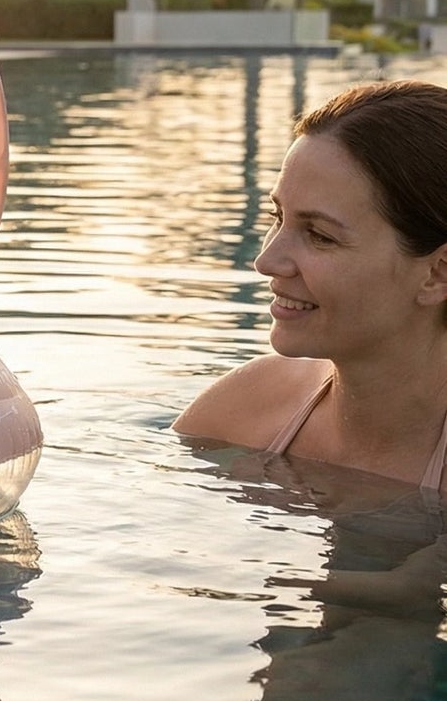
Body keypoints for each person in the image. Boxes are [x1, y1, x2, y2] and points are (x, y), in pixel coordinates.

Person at [175, 79, 447, 491]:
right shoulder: (241, 413)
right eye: (278, 217)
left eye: (320, 235)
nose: (267, 261)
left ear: (437, 273)